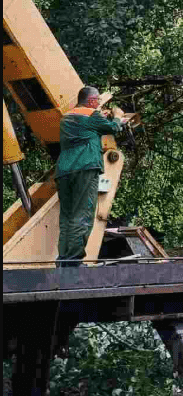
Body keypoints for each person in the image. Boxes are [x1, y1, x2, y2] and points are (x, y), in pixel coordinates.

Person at [55, 86, 127, 267]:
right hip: (85, 168)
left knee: (67, 218)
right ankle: (73, 263)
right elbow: (113, 128)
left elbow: (87, 128)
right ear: (92, 101)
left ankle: (63, 261)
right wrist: (117, 115)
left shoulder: (67, 117)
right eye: (96, 101)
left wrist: (99, 116)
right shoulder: (92, 116)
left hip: (64, 170)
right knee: (83, 215)